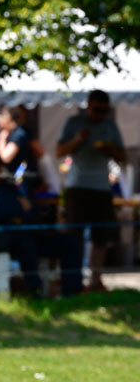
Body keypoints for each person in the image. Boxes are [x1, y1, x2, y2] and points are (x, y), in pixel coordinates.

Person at [0, 146, 83, 297]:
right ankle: (35, 290)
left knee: (69, 242)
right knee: (25, 242)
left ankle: (72, 291)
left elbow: (30, 210)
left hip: (26, 232)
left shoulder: (8, 186)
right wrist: (13, 210)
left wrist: (14, 210)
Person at [56, 89, 126, 291]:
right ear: (88, 106)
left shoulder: (110, 125)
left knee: (101, 237)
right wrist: (77, 140)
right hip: (77, 187)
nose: (100, 115)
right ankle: (73, 280)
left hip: (101, 187)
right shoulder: (74, 123)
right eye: (97, 110)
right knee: (74, 235)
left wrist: (110, 149)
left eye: (105, 111)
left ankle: (96, 280)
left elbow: (123, 157)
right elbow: (59, 151)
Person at [0, 105, 40, 194]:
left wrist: (1, 139)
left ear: (7, 116)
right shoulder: (14, 133)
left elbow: (6, 157)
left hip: (23, 181)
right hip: (17, 179)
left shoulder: (18, 134)